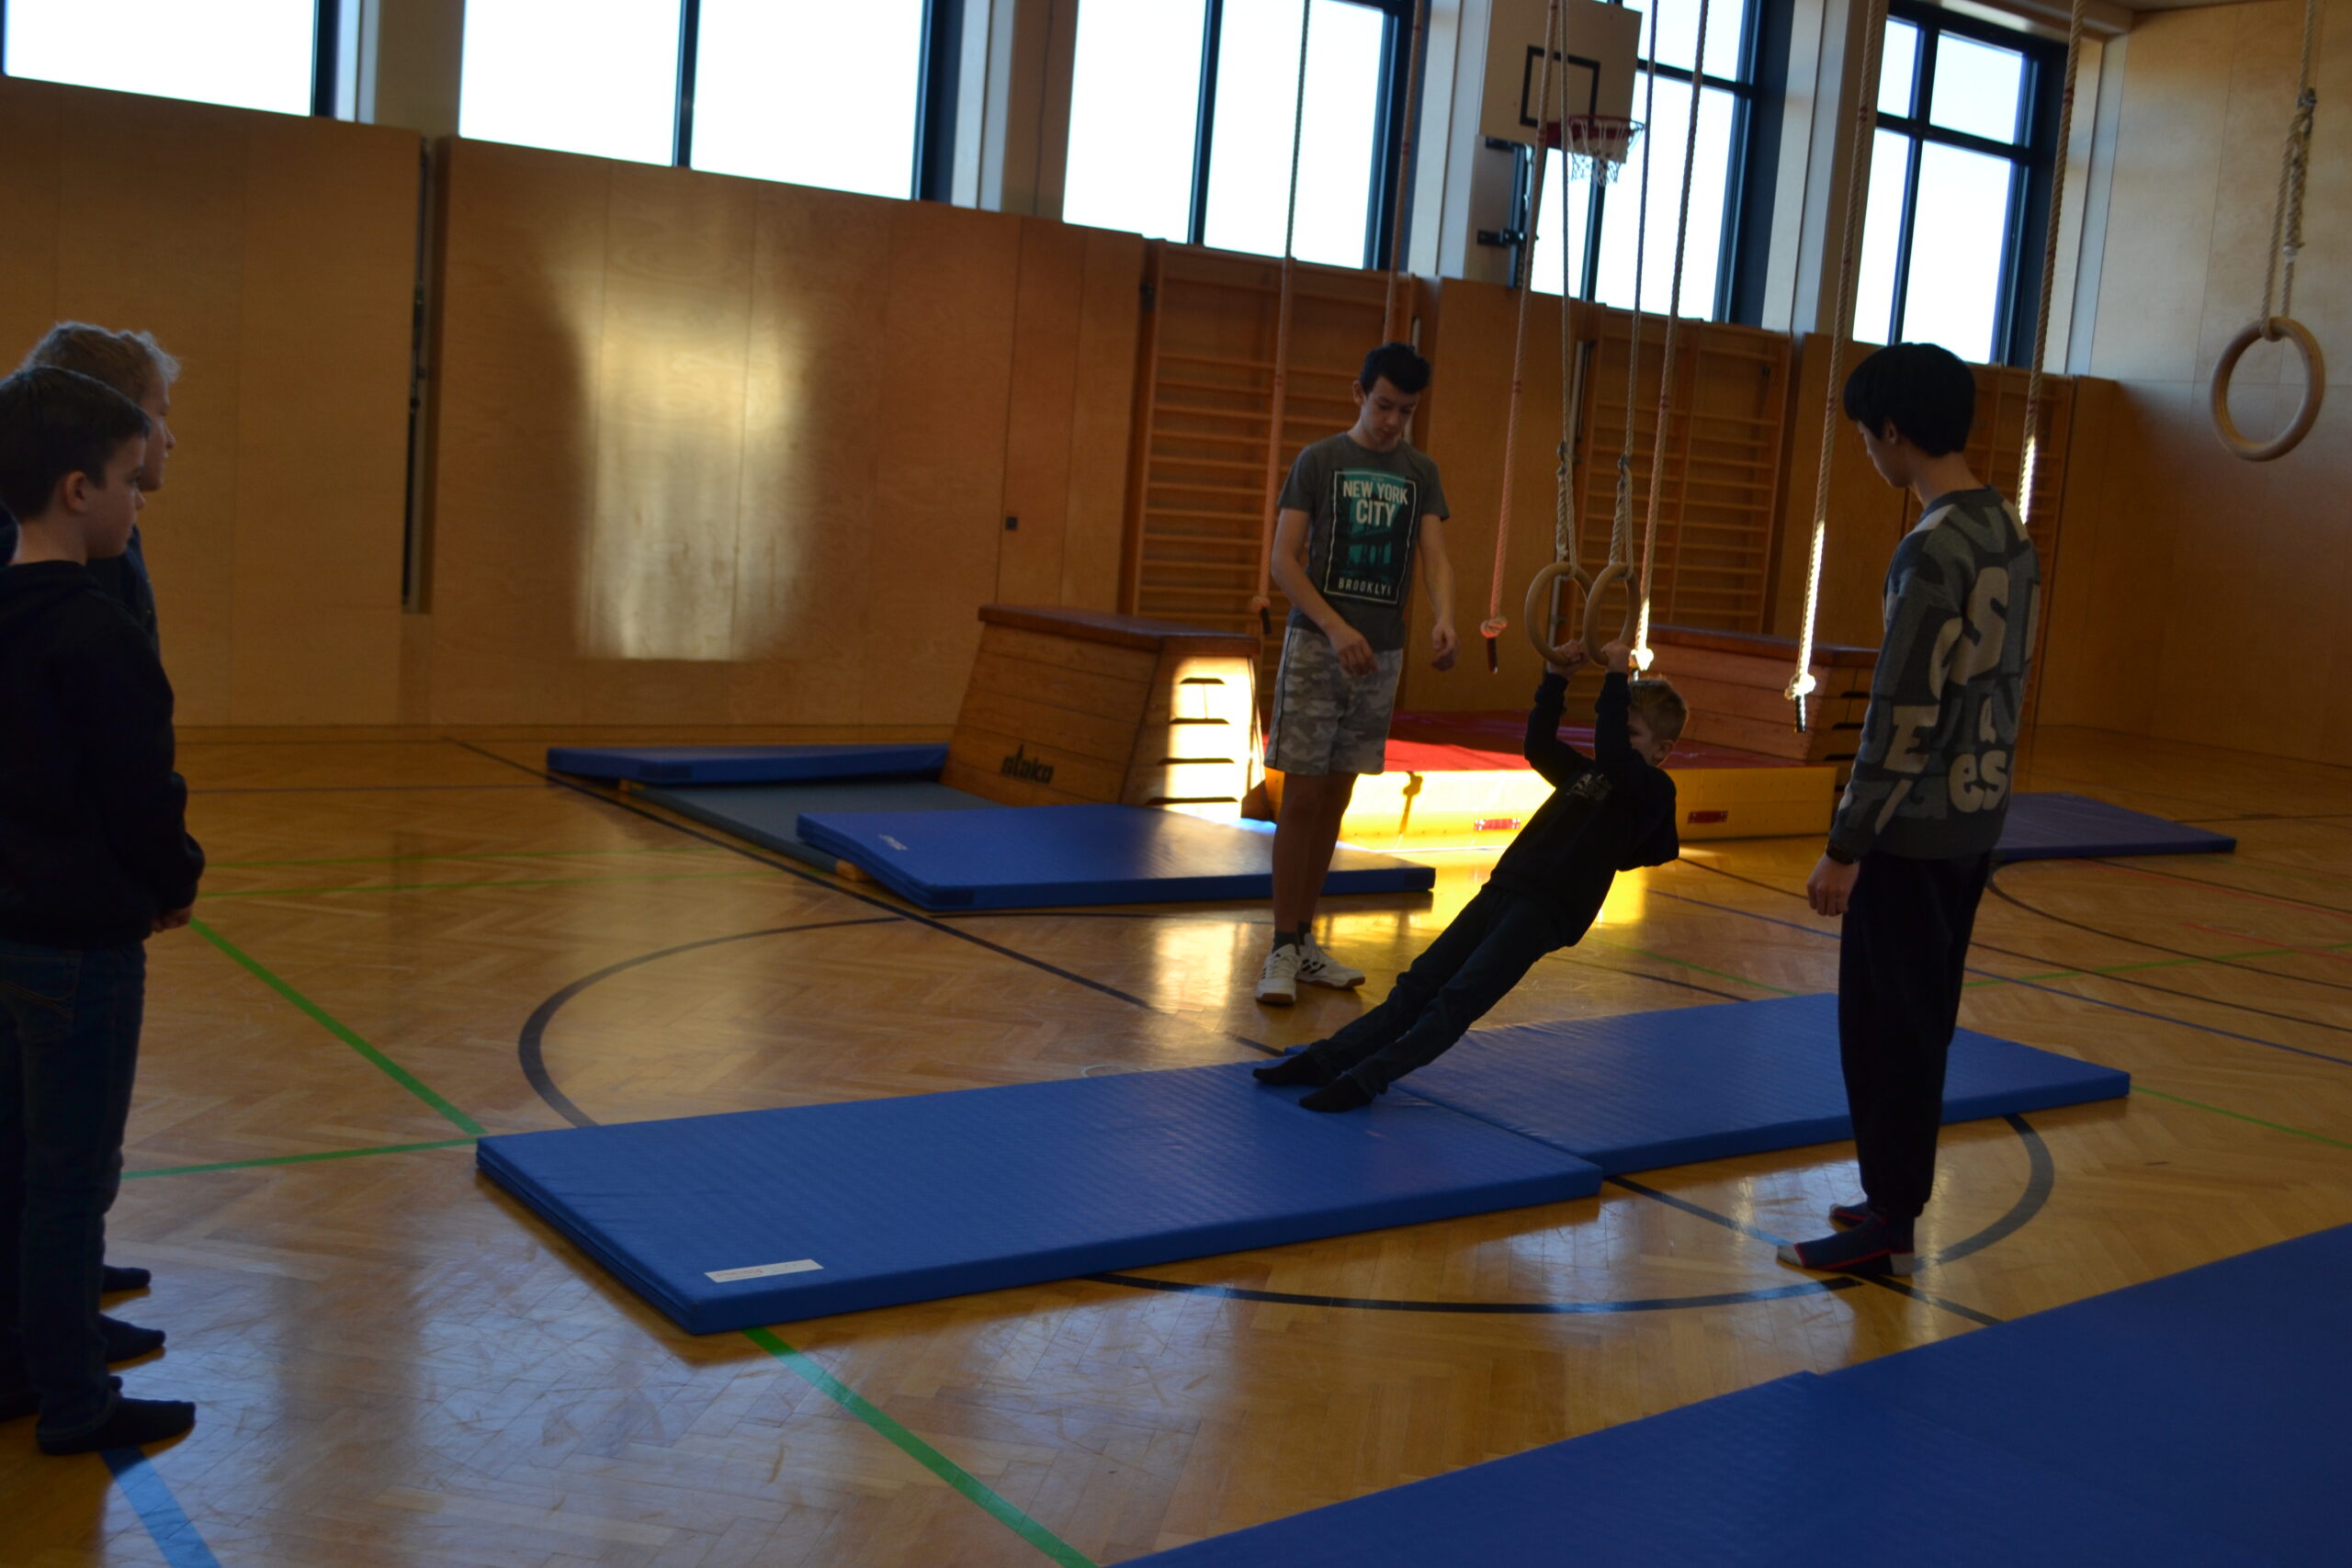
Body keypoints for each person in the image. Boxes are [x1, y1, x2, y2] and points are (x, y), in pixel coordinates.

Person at [1779, 342, 2041, 1278]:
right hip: (1976, 819)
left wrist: (1845, 844)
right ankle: (1894, 1195)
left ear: (1893, 432)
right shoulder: (2007, 530)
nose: (1866, 452)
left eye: (1864, 435)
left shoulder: (1930, 548)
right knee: (1922, 1019)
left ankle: (1888, 1220)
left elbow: (1901, 709)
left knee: (1884, 1029)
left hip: (1912, 830)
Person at [0, 366, 204, 1454]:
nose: (138, 503)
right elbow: (140, 794)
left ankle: (20, 1364)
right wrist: (175, 882)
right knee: (72, 1182)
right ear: (78, 491)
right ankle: (77, 1400)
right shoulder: (97, 629)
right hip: (80, 949)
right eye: (131, 480)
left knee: (17, 1166)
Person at [1254, 638, 1683, 1109]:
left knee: (1456, 1001)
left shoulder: (1652, 790)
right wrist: (1555, 681)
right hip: (1505, 888)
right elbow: (1538, 746)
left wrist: (1616, 675)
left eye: (1632, 733)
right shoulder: (1590, 773)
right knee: (1417, 985)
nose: (1619, 739)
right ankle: (1325, 1060)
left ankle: (1366, 1080)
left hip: (1546, 911)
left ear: (1662, 750)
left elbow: (1615, 754)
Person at [17, 324, 179, 1303]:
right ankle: (56, 1322)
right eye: (157, 418)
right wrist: (159, 872)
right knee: (63, 1140)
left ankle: (61, 1291)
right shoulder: (75, 572)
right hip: (72, 895)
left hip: (59, 881)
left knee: (60, 1144)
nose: (169, 439)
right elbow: (111, 750)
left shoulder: (99, 542)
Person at [1256, 341, 1458, 1006]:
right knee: (1303, 798)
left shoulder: (1420, 472)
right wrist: (1335, 627)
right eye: (1383, 406)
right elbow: (1284, 561)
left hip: (1382, 656)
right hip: (1318, 650)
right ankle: (1280, 946)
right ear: (1359, 394)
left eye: (1406, 411)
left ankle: (1304, 939)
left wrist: (1444, 617)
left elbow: (1434, 555)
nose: (1393, 421)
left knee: (1336, 800)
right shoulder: (1320, 461)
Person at [18, 323, 180, 646]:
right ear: (118, 418)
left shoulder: (110, 525)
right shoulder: (86, 537)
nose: (170, 440)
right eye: (160, 415)